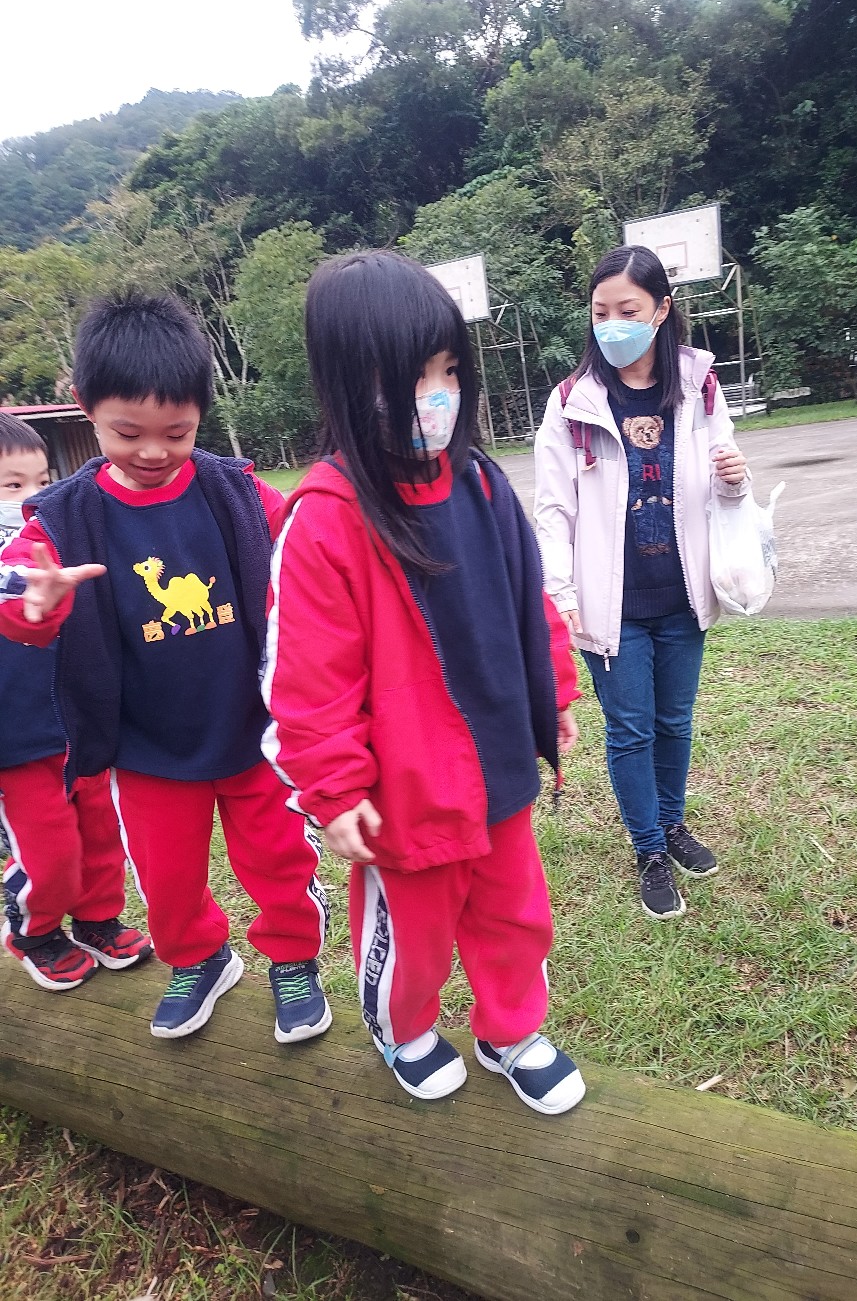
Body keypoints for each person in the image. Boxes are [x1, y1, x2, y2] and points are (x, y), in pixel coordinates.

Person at [262, 250, 586, 1115]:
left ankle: (510, 1031)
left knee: (516, 914)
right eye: (412, 377)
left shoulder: (481, 482)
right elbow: (307, 681)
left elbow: (530, 599)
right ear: (346, 383)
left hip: (499, 759)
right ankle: (403, 1030)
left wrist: (554, 692)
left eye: (448, 371)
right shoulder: (325, 519)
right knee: (413, 935)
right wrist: (334, 790)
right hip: (404, 790)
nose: (437, 396)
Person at [0, 293, 331, 1043]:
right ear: (85, 407)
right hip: (145, 745)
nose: (153, 451)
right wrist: (35, 603)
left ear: (200, 415)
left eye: (176, 433)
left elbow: (304, 548)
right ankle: (199, 958)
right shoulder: (62, 517)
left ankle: (293, 959)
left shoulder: (235, 490)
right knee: (166, 875)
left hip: (252, 732)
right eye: (128, 433)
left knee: (280, 860)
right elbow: (21, 590)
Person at [533, 245, 749, 921]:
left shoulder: (698, 386)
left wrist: (736, 482)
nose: (611, 324)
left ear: (661, 311)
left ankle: (673, 823)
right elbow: (554, 510)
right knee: (631, 731)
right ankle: (649, 848)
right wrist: (562, 593)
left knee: (674, 722)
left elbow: (723, 483)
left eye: (626, 310)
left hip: (682, 593)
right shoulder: (572, 402)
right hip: (612, 605)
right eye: (600, 312)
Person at [0, 412, 152, 989]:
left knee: (101, 833)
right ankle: (34, 930)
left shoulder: (54, 546)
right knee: (48, 850)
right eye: (12, 485)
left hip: (77, 725)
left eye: (42, 481)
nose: (31, 497)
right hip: (17, 744)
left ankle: (98, 919)